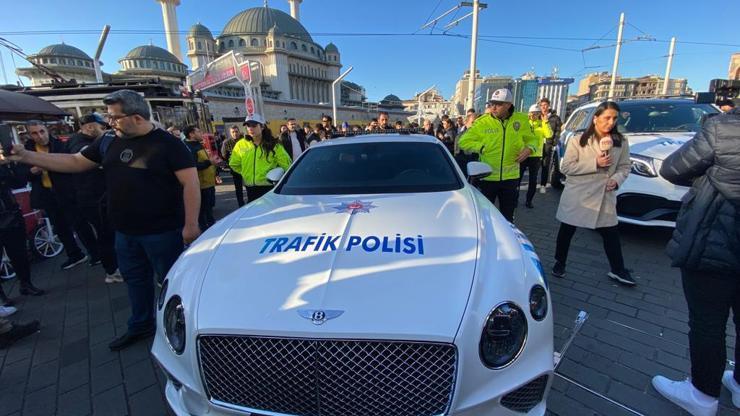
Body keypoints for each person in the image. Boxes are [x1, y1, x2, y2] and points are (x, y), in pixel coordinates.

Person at [8, 89, 201, 351]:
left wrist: (191, 225)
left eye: (114, 117)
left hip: (163, 232)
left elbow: (190, 183)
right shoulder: (108, 141)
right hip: (124, 231)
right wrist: (27, 156)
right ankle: (141, 325)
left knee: (172, 283)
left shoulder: (169, 144)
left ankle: (182, 332)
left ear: (136, 117)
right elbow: (75, 162)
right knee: (135, 280)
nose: (109, 122)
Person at [651, 107, 740, 415]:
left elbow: (673, 168)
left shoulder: (722, 128)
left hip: (714, 238)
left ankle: (702, 394)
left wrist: (712, 169)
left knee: (707, 322)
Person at [551, 101, 635, 286]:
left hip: (604, 195)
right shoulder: (578, 140)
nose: (610, 122)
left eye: (614, 118)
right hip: (578, 195)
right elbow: (566, 167)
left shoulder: (620, 142)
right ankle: (559, 262)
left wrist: (617, 180)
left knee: (611, 234)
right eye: (607, 118)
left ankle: (618, 269)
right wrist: (595, 163)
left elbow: (624, 166)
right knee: (567, 231)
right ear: (595, 118)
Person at [458, 88, 537, 222]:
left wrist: (530, 149)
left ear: (508, 105)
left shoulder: (521, 120)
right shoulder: (482, 122)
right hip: (488, 177)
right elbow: (463, 141)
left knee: (508, 217)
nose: (493, 107)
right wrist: (481, 147)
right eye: (491, 103)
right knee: (485, 217)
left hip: (511, 178)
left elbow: (533, 139)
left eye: (498, 104)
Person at [25, 121, 95, 271]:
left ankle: (95, 253)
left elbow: (72, 164)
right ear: (29, 135)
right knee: (60, 227)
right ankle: (74, 254)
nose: (40, 136)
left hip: (66, 192)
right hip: (46, 194)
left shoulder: (60, 145)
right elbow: (21, 175)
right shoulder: (28, 151)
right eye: (35, 133)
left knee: (80, 223)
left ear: (47, 130)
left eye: (42, 131)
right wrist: (32, 171)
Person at [66, 114, 122, 283]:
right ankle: (112, 270)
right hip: (93, 198)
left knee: (107, 233)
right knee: (106, 233)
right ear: (90, 127)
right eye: (102, 127)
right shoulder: (81, 144)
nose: (104, 131)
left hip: (94, 195)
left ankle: (112, 267)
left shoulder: (78, 141)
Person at [0, 161, 44, 300]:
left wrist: (11, 165)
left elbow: (18, 183)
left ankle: (26, 284)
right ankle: (2, 297)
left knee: (20, 253)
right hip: (8, 212)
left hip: (10, 214)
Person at [229, 114, 292, 201]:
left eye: (254, 125)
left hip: (269, 188)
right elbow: (234, 164)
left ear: (262, 126)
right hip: (250, 189)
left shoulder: (274, 144)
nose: (250, 128)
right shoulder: (240, 144)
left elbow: (287, 165)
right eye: (248, 125)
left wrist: (277, 177)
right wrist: (247, 173)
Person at [517, 104, 552, 208]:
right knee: (518, 178)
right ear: (529, 113)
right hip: (523, 154)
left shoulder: (542, 124)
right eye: (532, 113)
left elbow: (549, 134)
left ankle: (529, 201)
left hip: (535, 156)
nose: (534, 115)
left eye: (536, 113)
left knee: (533, 180)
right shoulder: (525, 123)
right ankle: (515, 198)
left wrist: (545, 121)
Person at [184, 126, 217, 230]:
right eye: (198, 131)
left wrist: (216, 173)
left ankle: (211, 226)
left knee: (210, 208)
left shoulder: (198, 144)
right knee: (204, 211)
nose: (201, 133)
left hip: (209, 182)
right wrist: (209, 163)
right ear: (191, 134)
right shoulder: (188, 147)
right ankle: (206, 230)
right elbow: (193, 166)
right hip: (201, 185)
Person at [539, 97, 563, 193]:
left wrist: (554, 143)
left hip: (548, 145)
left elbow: (558, 131)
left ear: (548, 106)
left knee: (545, 165)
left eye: (545, 105)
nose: (544, 107)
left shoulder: (555, 118)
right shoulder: (537, 116)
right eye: (542, 105)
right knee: (534, 165)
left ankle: (543, 185)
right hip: (537, 144)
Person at [221, 125, 247, 207]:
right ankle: (241, 205)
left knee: (250, 187)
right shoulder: (227, 143)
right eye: (233, 132)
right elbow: (224, 155)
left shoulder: (245, 140)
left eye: (236, 131)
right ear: (230, 133)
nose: (235, 133)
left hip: (247, 167)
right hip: (235, 169)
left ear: (239, 132)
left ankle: (251, 202)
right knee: (238, 188)